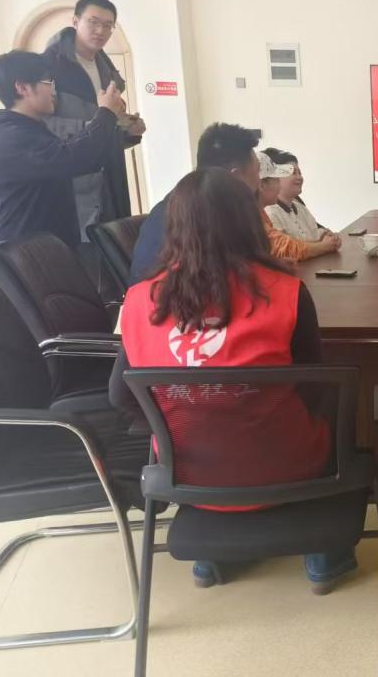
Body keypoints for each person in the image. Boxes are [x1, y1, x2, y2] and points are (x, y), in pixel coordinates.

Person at [110, 167, 358, 592]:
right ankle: (324, 554)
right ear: (249, 223)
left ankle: (212, 557)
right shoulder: (286, 293)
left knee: (208, 429)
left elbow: (120, 395)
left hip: (186, 471)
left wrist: (186, 416)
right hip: (288, 466)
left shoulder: (138, 302)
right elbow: (315, 390)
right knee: (341, 412)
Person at [0, 50, 125, 247]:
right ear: (22, 88)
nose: (54, 91)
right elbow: (76, 158)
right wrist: (106, 113)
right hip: (24, 252)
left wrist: (117, 126)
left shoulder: (28, 128)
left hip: (44, 246)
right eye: (48, 82)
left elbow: (78, 149)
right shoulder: (10, 137)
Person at [43, 0, 145, 233]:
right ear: (75, 21)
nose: (101, 31)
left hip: (110, 176)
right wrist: (96, 123)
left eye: (108, 25)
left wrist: (127, 129)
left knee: (116, 241)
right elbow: (42, 126)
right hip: (74, 182)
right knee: (81, 248)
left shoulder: (108, 70)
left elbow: (106, 122)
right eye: (93, 22)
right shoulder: (49, 67)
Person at [130, 123, 261, 284]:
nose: (259, 183)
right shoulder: (213, 215)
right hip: (170, 296)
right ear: (235, 177)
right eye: (258, 172)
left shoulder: (180, 202)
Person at [257, 152, 341, 259]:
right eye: (276, 179)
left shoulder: (300, 207)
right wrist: (323, 246)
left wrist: (327, 237)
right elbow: (285, 248)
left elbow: (314, 232)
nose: (299, 177)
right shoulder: (266, 213)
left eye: (299, 173)